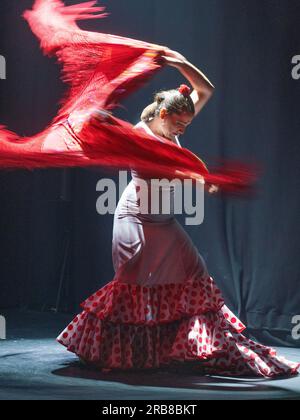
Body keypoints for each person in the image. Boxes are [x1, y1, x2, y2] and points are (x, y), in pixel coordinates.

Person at [57, 49, 299, 378]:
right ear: (164, 113)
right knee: (133, 289)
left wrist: (177, 61)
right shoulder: (140, 137)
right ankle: (119, 353)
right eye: (179, 123)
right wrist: (202, 181)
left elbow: (206, 90)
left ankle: (199, 346)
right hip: (137, 223)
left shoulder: (170, 127)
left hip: (164, 222)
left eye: (186, 124)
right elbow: (165, 170)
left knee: (195, 275)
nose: (183, 130)